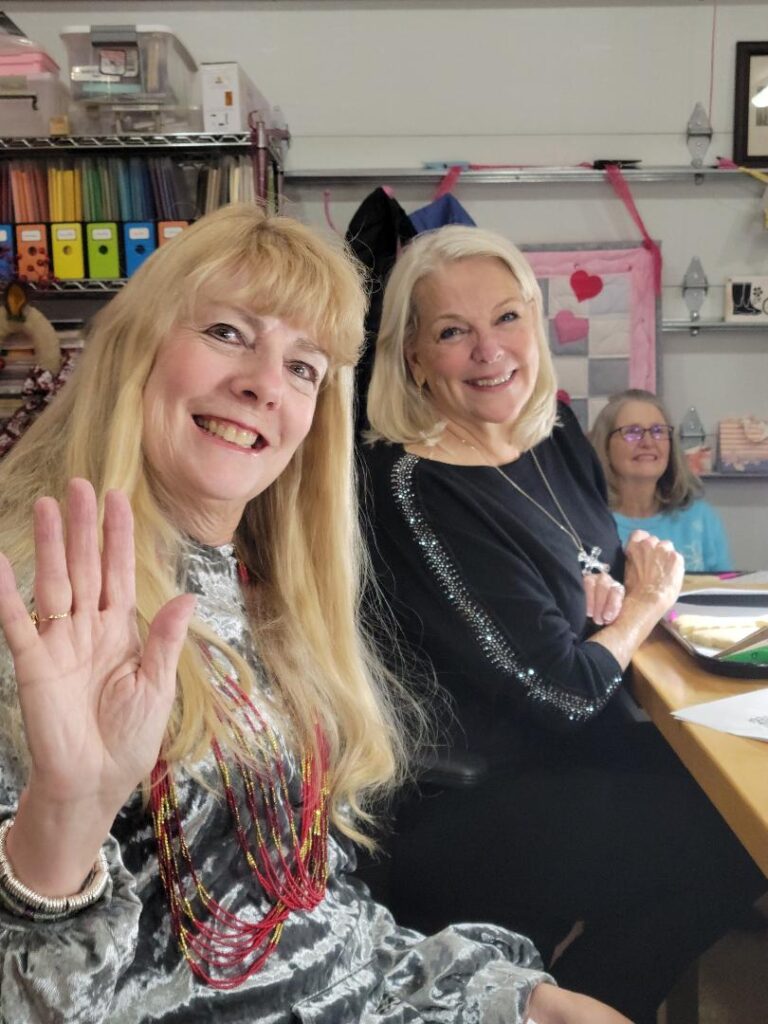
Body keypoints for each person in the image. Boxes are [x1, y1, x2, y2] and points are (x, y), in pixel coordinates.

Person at [0, 205, 632, 1024]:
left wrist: (509, 996)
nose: (264, 382)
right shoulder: (41, 597)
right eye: (228, 331)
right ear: (136, 347)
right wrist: (67, 820)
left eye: (304, 367)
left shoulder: (268, 588)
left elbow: (307, 921)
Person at [360, 225, 765, 1024]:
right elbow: (561, 692)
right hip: (481, 793)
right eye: (452, 332)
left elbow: (592, 579)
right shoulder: (414, 485)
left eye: (508, 318)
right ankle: (586, 1006)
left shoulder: (555, 436)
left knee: (729, 812)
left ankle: (584, 996)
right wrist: (643, 604)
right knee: (728, 839)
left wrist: (602, 598)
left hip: (581, 748)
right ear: (412, 356)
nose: (490, 352)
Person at [590, 388, 733, 572]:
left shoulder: (701, 518)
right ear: (605, 446)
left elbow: (723, 594)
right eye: (632, 432)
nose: (648, 442)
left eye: (658, 431)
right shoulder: (584, 522)